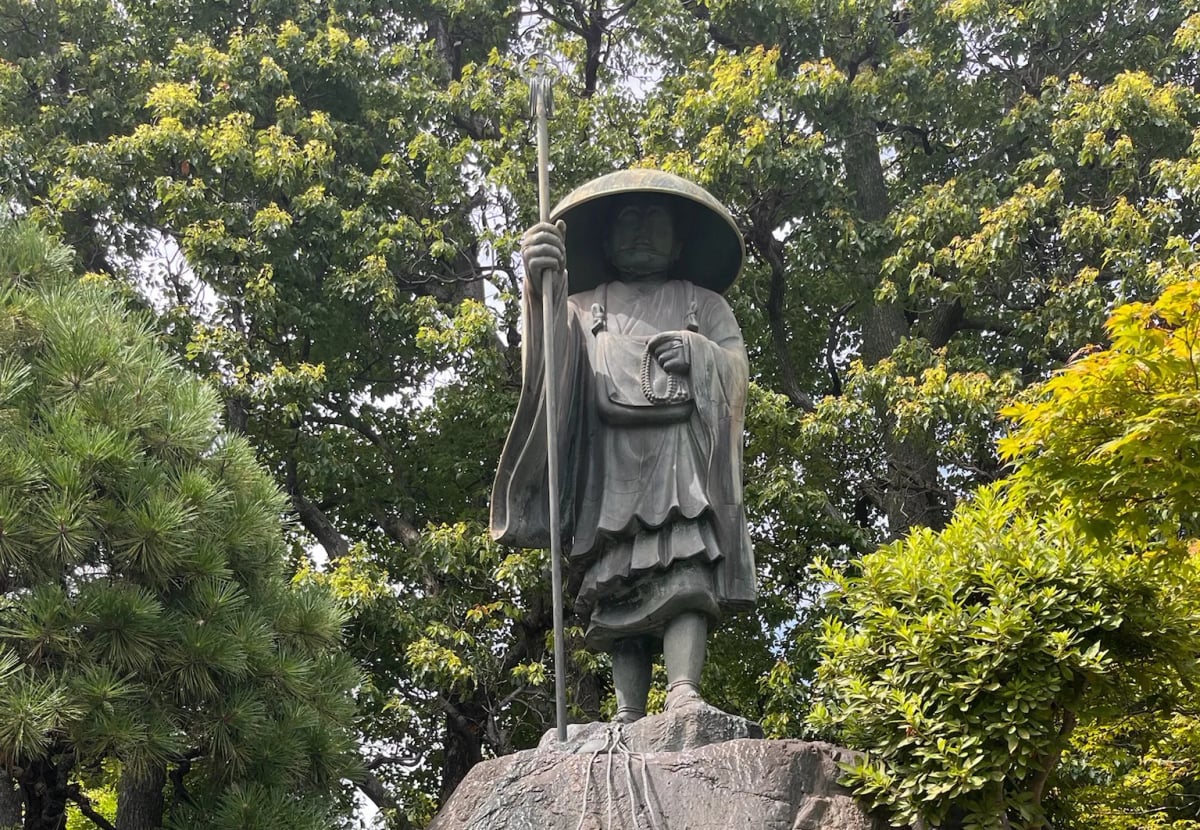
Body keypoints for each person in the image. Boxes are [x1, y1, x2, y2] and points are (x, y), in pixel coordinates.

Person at [491, 169, 755, 723]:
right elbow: (549, 364)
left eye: (655, 220)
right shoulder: (585, 305)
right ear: (607, 241)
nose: (640, 231)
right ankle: (629, 707)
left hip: (679, 463)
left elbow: (736, 371)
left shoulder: (704, 305)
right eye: (628, 220)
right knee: (617, 581)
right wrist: (540, 289)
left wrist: (697, 354)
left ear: (679, 242)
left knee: (685, 567)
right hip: (609, 470)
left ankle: (683, 688)